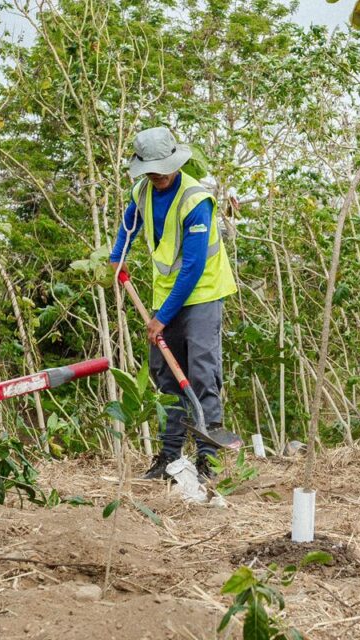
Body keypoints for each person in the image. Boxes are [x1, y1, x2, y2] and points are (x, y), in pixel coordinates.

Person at [109, 127, 237, 482]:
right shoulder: (142, 191)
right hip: (165, 294)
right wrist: (117, 257)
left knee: (201, 374)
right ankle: (168, 458)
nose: (158, 176)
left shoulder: (196, 201)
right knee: (165, 376)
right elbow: (129, 224)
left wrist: (161, 318)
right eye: (151, 171)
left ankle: (207, 460)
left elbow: (193, 267)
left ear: (175, 163)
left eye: (163, 169)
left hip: (203, 294)